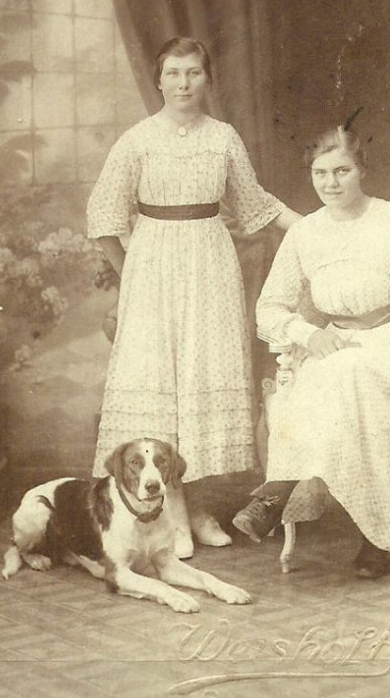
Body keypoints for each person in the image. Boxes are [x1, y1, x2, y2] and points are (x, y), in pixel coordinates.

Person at [87, 36, 301, 558]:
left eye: (193, 74)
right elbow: (102, 217)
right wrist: (131, 273)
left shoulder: (223, 139)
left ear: (207, 79)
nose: (183, 83)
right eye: (174, 73)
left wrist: (316, 229)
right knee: (159, 381)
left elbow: (255, 206)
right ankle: (171, 519)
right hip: (153, 268)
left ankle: (197, 508)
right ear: (158, 79)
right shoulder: (136, 141)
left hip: (210, 266)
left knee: (201, 379)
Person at [232, 125, 390, 578]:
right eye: (321, 172)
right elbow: (269, 309)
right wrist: (307, 334)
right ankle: (363, 532)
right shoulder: (305, 234)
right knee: (334, 375)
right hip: (337, 354)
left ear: (363, 171)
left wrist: (371, 343)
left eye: (342, 170)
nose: (331, 183)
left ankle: (280, 496)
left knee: (347, 372)